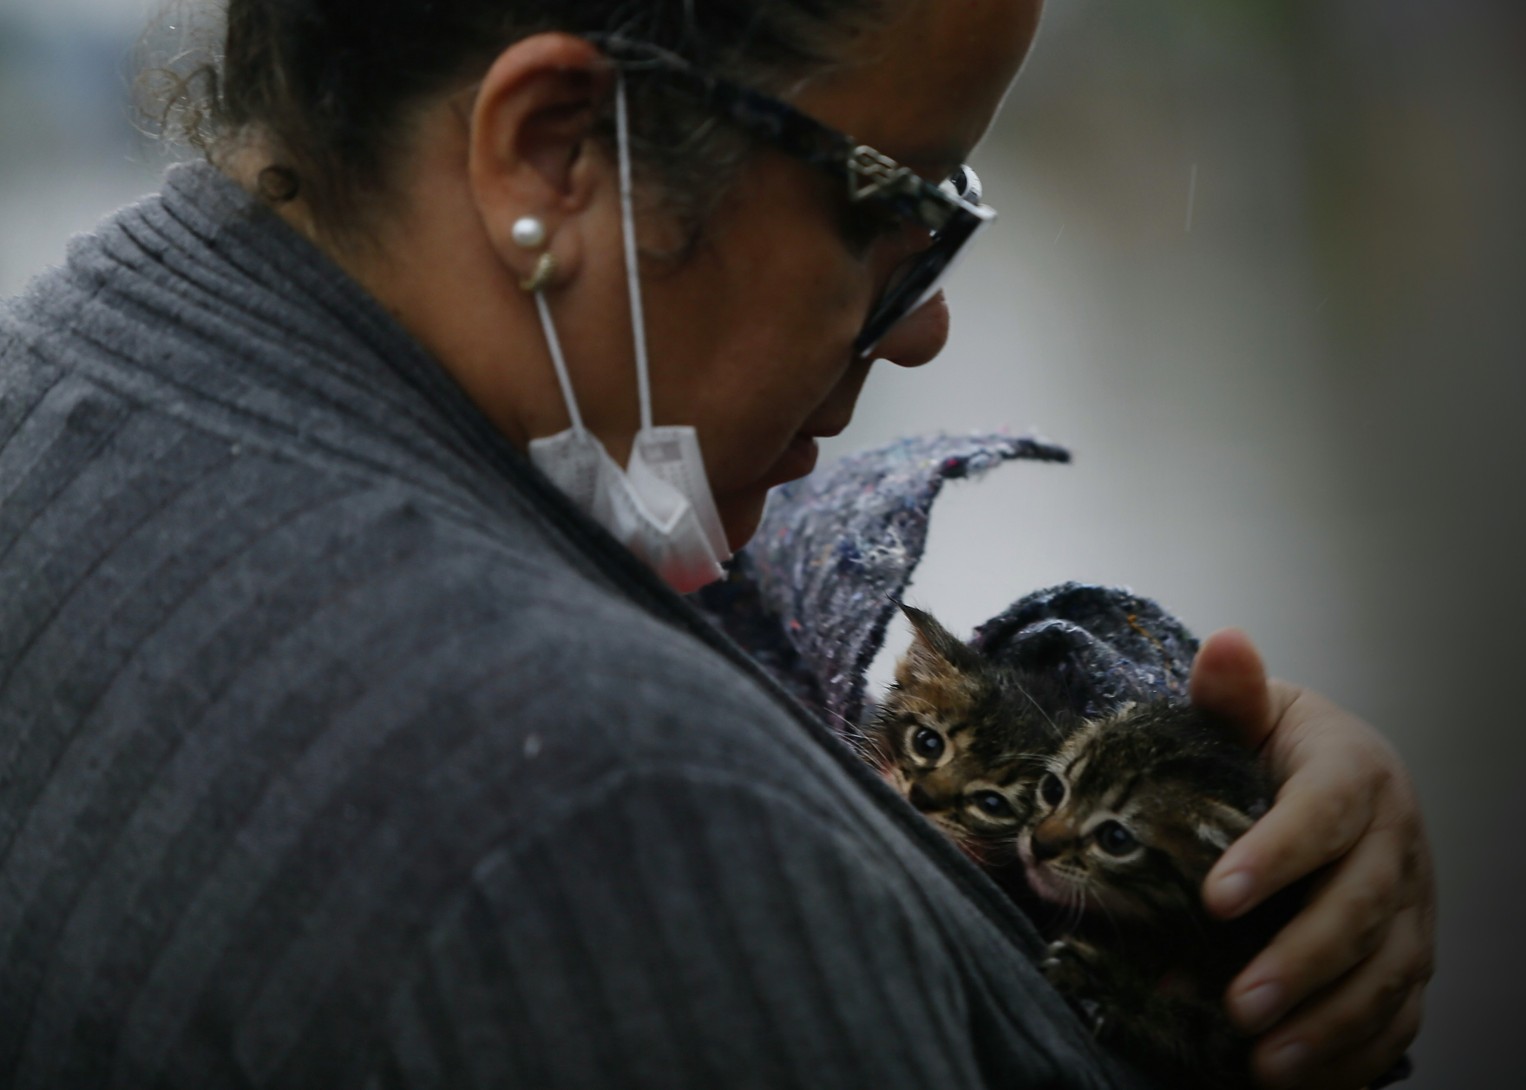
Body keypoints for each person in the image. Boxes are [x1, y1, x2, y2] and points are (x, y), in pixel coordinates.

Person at [0, 1, 1432, 1087]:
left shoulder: (69, 383)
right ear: (555, 153)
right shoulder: (626, 827)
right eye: (897, 203)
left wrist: (1189, 854)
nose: (926, 320)